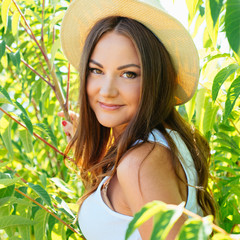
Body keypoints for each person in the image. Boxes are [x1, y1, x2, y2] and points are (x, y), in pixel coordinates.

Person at [59, 0, 216, 239]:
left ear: (156, 79)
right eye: (96, 70)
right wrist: (98, 155)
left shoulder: (139, 164)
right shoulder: (163, 142)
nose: (107, 90)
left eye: (128, 74)